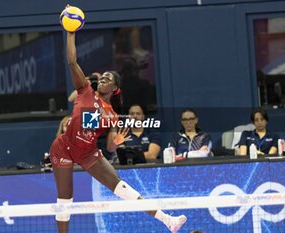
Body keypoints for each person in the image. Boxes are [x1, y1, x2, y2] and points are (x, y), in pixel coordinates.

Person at [49, 10, 186, 233]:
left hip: (86, 152)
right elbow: (72, 61)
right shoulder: (84, 90)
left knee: (120, 186)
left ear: (114, 88)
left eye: (107, 79)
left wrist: (115, 142)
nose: (102, 79)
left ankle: (167, 220)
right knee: (65, 199)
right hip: (63, 148)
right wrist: (71, 32)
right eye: (101, 77)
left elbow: (111, 146)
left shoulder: (112, 115)